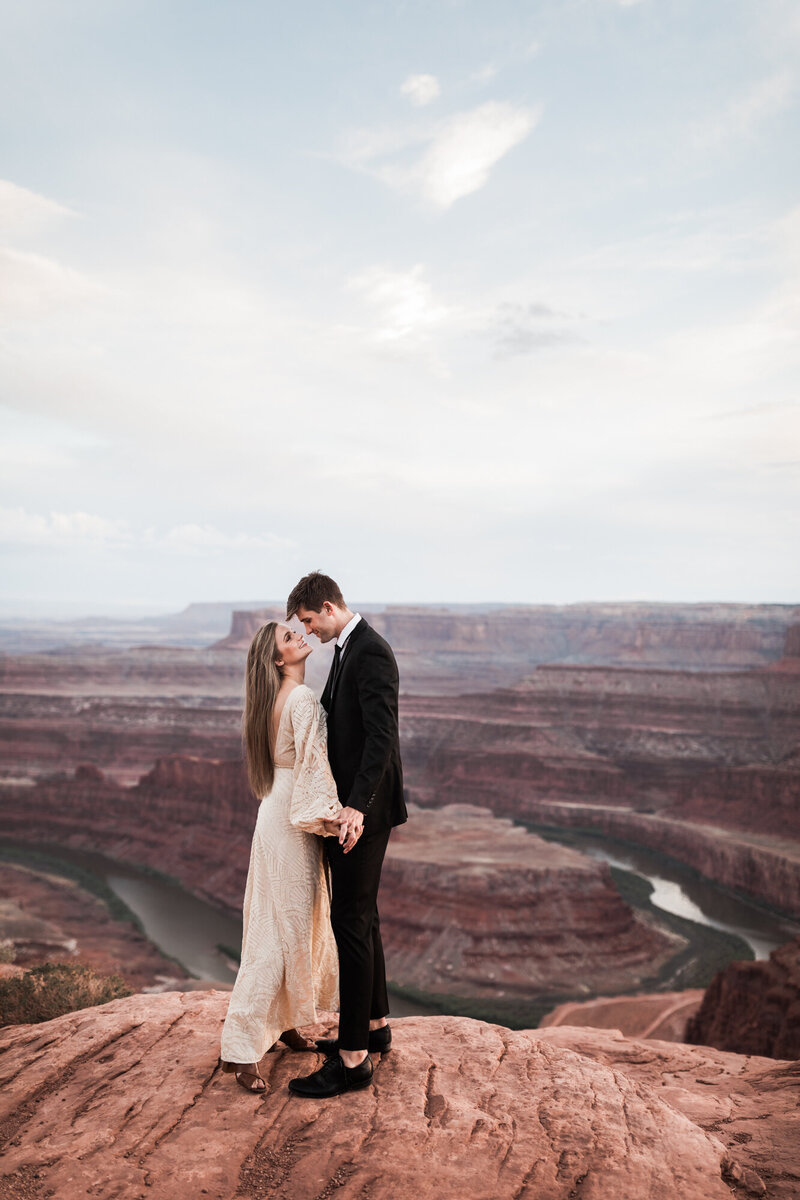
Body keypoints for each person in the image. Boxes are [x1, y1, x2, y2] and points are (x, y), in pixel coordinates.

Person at [285, 571, 407, 1099]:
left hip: (365, 812)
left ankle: (353, 1060)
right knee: (365, 916)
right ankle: (375, 1029)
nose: (308, 632)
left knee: (350, 922)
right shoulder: (349, 646)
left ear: (329, 607)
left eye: (310, 621)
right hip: (354, 808)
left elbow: (382, 735)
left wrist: (356, 806)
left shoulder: (370, 652)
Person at [219, 620, 342, 1093]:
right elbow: (315, 767)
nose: (299, 638)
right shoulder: (303, 699)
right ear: (277, 660)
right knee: (279, 931)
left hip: (272, 812)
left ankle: (284, 1023)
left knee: (278, 922)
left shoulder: (269, 701)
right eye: (289, 639)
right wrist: (332, 817)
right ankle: (242, 1049)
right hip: (293, 818)